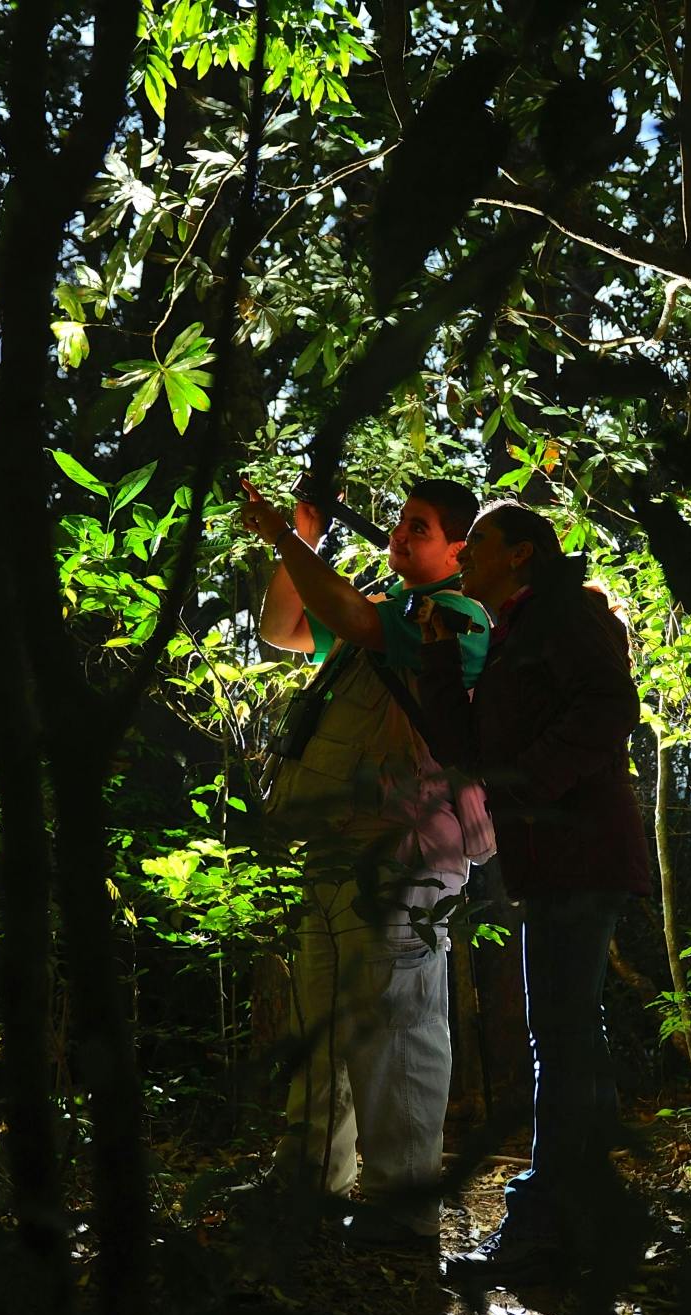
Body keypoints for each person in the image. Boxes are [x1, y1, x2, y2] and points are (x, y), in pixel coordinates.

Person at [236, 475, 492, 1250]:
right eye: (401, 521)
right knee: (324, 1030)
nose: (402, 534)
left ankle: (401, 1209)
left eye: (422, 526)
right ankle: (312, 1183)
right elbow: (282, 626)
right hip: (338, 847)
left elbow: (346, 615)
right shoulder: (385, 612)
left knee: (398, 1031)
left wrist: (284, 536)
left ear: (459, 548)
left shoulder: (457, 618)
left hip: (404, 854)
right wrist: (301, 543)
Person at [412, 501, 655, 1285]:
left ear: (520, 555)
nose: (464, 554)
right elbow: (474, 754)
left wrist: (534, 786)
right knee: (570, 1033)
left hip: (583, 852)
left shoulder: (564, 611)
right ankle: (595, 1219)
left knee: (559, 1034)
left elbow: (611, 708)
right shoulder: (511, 627)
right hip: (552, 860)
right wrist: (443, 668)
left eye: (475, 542)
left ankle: (544, 1226)